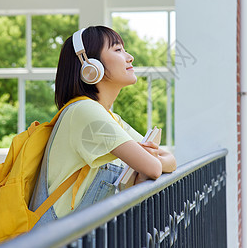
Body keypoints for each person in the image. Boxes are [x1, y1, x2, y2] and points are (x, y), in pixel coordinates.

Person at [30, 26, 177, 226]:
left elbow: (170, 160)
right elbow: (152, 167)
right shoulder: (85, 111)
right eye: (118, 50)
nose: (130, 57)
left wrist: (153, 159)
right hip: (56, 239)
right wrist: (152, 160)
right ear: (90, 66)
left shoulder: (110, 118)